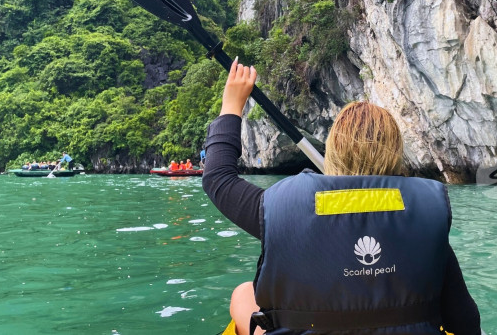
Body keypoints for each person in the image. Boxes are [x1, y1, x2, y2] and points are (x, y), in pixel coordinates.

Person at [204, 59, 481, 335]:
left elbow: (218, 178)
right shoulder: (425, 217)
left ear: (333, 152)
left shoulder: (281, 211)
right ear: (395, 155)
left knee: (243, 294)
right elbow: (466, 322)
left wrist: (231, 104)